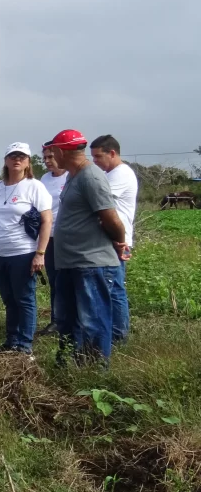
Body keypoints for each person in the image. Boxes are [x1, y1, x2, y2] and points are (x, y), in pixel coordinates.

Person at [45, 130, 126, 365]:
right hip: (70, 261)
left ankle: (95, 370)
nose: (51, 156)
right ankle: (71, 363)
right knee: (68, 318)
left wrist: (119, 242)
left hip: (91, 261)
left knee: (93, 320)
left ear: (61, 151)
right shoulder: (73, 175)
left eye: (53, 152)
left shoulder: (91, 177)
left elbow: (110, 218)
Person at [0, 143, 52, 355]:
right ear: (6, 160)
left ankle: (25, 347)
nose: (17, 159)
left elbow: (46, 221)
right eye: (13, 156)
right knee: (8, 299)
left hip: (23, 252)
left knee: (24, 298)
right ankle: (11, 341)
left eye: (22, 156)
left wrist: (40, 253)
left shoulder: (34, 186)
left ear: (28, 162)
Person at [90, 135, 137, 344]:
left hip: (117, 239)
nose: (95, 162)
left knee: (115, 288)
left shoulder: (121, 174)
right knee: (107, 287)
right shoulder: (109, 174)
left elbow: (98, 201)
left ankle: (119, 336)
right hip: (108, 238)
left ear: (112, 153)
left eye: (98, 156)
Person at [37, 146, 68, 335]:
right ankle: (56, 320)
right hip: (49, 236)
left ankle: (70, 320)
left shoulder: (71, 176)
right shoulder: (44, 180)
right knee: (55, 280)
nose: (48, 161)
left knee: (68, 280)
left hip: (67, 236)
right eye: (45, 158)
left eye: (51, 157)